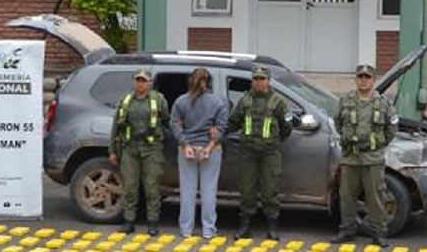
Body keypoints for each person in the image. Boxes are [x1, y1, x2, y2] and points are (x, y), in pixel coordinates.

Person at [333, 63, 397, 245]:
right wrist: (347, 139)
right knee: (347, 196)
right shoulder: (345, 101)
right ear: (356, 80)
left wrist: (377, 145)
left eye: (367, 77)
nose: (363, 80)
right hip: (350, 157)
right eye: (360, 77)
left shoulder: (383, 104)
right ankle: (347, 230)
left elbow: (391, 129)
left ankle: (379, 233)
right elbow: (337, 122)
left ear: (373, 80)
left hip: (373, 158)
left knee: (376, 196)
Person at [228, 65, 292, 240]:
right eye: (255, 79)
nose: (258, 82)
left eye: (262, 79)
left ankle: (272, 226)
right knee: (247, 190)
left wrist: (273, 141)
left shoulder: (278, 102)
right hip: (248, 152)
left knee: (270, 189)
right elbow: (233, 122)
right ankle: (245, 225)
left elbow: (287, 128)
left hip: (270, 153)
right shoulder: (245, 101)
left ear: (268, 81)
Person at [170, 67, 227, 238]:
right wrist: (209, 147)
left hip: (187, 150)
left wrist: (185, 144)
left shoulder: (180, 101)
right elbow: (222, 127)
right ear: (209, 83)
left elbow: (174, 124)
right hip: (211, 151)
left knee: (187, 191)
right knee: (208, 191)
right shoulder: (217, 103)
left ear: (190, 81)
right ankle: (208, 230)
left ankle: (186, 229)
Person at [110, 68, 166, 234]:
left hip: (152, 149)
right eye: (138, 80)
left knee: (152, 187)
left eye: (144, 81)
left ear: (150, 83)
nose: (140, 84)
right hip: (130, 148)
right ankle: (129, 221)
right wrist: (112, 151)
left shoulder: (159, 100)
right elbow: (116, 127)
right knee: (130, 187)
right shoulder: (126, 100)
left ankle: (153, 222)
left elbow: (166, 121)